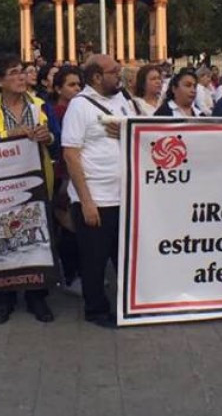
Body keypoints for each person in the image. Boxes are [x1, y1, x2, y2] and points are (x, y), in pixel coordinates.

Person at [0, 54, 60, 324]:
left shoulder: (41, 105)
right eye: (13, 72)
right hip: (1, 186)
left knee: (36, 236)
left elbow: (58, 142)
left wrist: (49, 137)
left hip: (36, 182)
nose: (21, 77)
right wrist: (9, 135)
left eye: (22, 71)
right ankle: (5, 297)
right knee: (2, 238)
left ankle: (37, 295)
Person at [61, 54, 133, 328]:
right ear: (96, 77)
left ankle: (126, 304)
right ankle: (96, 309)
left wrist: (126, 131)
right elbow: (71, 155)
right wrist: (86, 201)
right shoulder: (79, 107)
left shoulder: (122, 100)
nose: (120, 75)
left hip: (123, 194)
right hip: (95, 198)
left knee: (122, 256)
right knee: (95, 259)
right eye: (114, 71)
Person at [50, 66, 83, 295]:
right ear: (58, 88)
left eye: (79, 84)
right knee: (68, 226)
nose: (77, 89)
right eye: (71, 85)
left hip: (82, 174)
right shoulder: (56, 112)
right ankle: (70, 274)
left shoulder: (82, 109)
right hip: (63, 175)